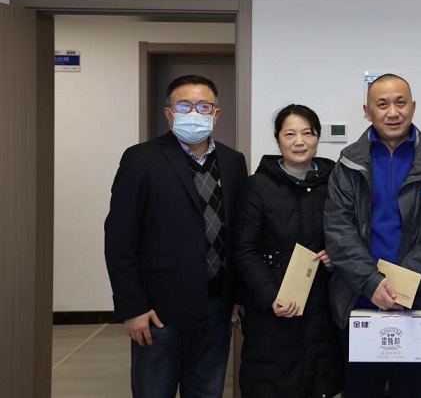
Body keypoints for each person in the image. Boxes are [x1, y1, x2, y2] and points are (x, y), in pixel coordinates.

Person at [104, 74, 248, 398]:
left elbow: (237, 234)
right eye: (184, 106)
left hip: (216, 307)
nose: (194, 113)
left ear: (216, 113)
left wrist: (237, 295)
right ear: (169, 113)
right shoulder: (141, 159)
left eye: (203, 106)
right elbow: (119, 239)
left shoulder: (233, 161)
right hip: (158, 311)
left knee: (207, 391)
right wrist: (132, 307)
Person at [324, 73, 421, 398]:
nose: (392, 112)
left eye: (400, 103)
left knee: (413, 391)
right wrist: (372, 283)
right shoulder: (348, 162)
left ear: (413, 106)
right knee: (360, 391)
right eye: (382, 104)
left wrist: (401, 286)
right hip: (361, 302)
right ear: (367, 111)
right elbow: (338, 230)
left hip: (419, 304)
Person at [234, 104, 344, 397]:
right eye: (290, 134)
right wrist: (272, 296)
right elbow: (245, 250)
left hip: (322, 304)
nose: (299, 142)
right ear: (278, 139)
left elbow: (350, 233)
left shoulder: (335, 182)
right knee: (273, 382)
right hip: (273, 309)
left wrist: (336, 255)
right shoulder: (257, 186)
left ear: (317, 137)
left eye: (307, 133)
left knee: (319, 381)